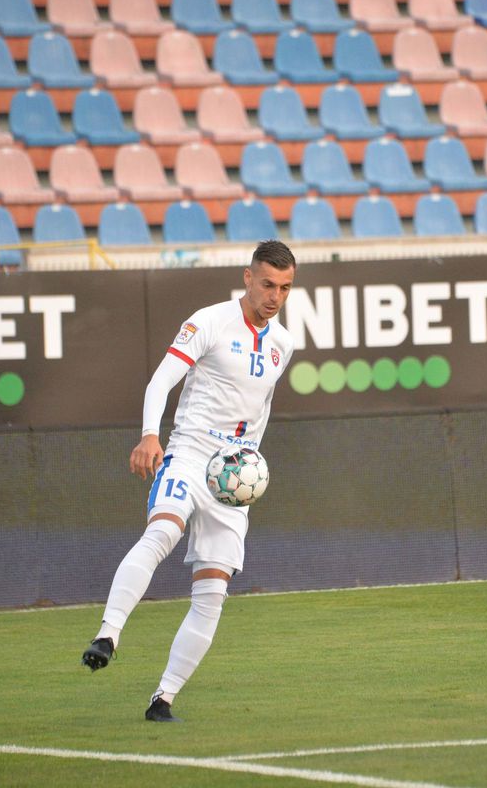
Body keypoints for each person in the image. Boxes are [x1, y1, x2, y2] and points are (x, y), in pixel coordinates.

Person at [82, 240, 297, 722]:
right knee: (162, 531)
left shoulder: (283, 344)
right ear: (248, 277)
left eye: (285, 288)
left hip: (233, 478)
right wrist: (149, 435)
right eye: (268, 284)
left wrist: (250, 466)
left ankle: (163, 699)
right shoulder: (209, 322)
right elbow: (161, 381)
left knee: (213, 591)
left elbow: (260, 409)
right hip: (189, 453)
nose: (275, 296)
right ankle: (108, 634)